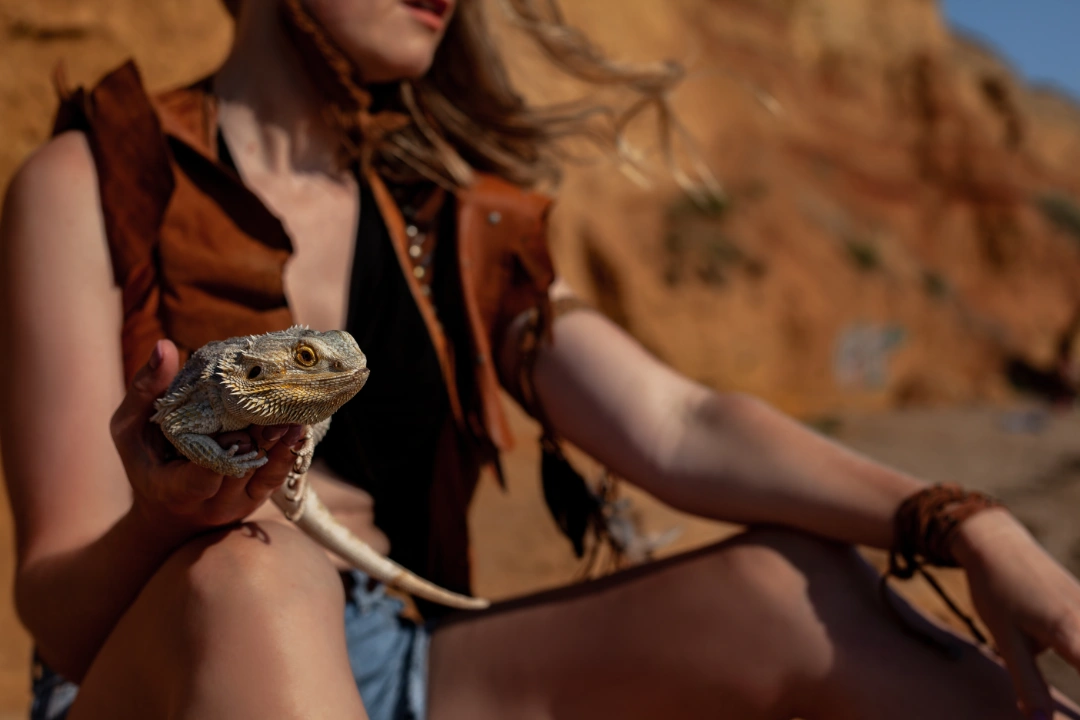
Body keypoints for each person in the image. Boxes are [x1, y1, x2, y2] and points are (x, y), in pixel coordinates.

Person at [2, 1, 1079, 718]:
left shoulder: (454, 219)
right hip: (161, 674)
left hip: (408, 669)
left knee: (794, 588)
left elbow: (680, 425)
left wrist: (961, 521)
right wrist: (169, 518)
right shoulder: (94, 180)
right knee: (259, 572)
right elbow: (61, 617)